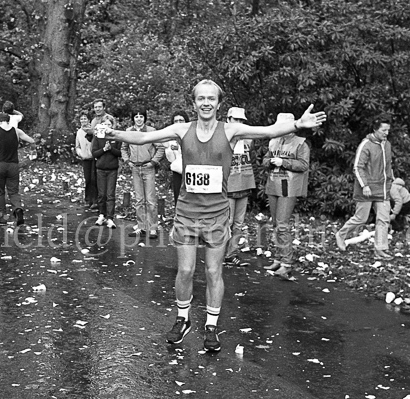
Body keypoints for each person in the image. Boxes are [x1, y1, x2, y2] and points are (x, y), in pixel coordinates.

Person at [105, 80, 325, 352]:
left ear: (219, 104)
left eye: (211, 98)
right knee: (185, 270)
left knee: (213, 271)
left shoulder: (231, 130)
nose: (206, 103)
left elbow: (267, 131)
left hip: (217, 214)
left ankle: (211, 325)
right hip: (187, 212)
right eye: (201, 99)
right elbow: (141, 138)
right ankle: (183, 319)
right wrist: (112, 133)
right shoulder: (181, 129)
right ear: (194, 103)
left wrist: (297, 125)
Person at [335, 117, 395, 260]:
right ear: (375, 130)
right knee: (361, 218)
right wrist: (365, 185)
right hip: (366, 189)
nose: (386, 133)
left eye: (388, 130)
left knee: (383, 219)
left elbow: (388, 166)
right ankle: (341, 235)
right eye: (383, 130)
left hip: (383, 189)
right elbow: (357, 167)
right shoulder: (366, 145)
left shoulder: (387, 144)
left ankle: (380, 249)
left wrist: (389, 183)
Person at [261, 113, 310, 279]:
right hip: (273, 185)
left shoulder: (301, 144)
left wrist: (284, 162)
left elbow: (303, 165)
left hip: (289, 187)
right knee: (275, 223)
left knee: (282, 223)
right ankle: (279, 258)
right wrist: (270, 161)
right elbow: (264, 160)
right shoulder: (274, 141)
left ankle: (287, 264)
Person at [221, 107, 257, 267]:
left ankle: (231, 254)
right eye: (236, 120)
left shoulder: (247, 138)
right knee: (226, 222)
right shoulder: (223, 138)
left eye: (242, 120)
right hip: (227, 187)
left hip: (244, 185)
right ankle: (218, 254)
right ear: (228, 120)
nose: (239, 123)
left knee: (238, 223)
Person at [121, 108, 164, 239]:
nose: (138, 118)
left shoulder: (151, 131)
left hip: (148, 167)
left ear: (145, 118)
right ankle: (141, 227)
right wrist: (127, 161)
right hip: (135, 167)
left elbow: (160, 147)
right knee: (139, 200)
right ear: (133, 118)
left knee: (150, 200)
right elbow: (124, 148)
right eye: (136, 116)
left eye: (141, 116)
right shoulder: (129, 132)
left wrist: (153, 162)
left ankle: (153, 228)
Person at [0, 112, 36, 225]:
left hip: (0, 164)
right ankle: (17, 209)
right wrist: (31, 151)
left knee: (0, 192)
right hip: (13, 165)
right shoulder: (16, 131)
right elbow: (31, 140)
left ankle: (3, 217)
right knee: (14, 191)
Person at [92, 114, 122, 229]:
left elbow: (120, 153)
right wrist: (104, 149)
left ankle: (110, 217)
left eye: (109, 124)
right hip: (100, 168)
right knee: (101, 194)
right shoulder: (98, 137)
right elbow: (94, 153)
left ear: (112, 125)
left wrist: (111, 149)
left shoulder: (116, 137)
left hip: (112, 168)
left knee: (110, 194)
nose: (107, 126)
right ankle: (101, 214)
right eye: (105, 124)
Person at [164, 111, 188, 206]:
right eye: (176, 121)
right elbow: (171, 160)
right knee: (178, 197)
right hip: (177, 172)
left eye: (181, 120)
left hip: (191, 172)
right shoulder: (171, 138)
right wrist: (167, 148)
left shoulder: (192, 135)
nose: (178, 123)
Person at [74, 113, 97, 210]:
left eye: (85, 119)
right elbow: (77, 146)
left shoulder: (93, 130)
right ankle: (88, 200)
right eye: (81, 119)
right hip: (85, 158)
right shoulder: (79, 132)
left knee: (93, 179)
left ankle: (95, 200)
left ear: (88, 120)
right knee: (87, 179)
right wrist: (80, 153)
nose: (83, 120)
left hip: (94, 158)